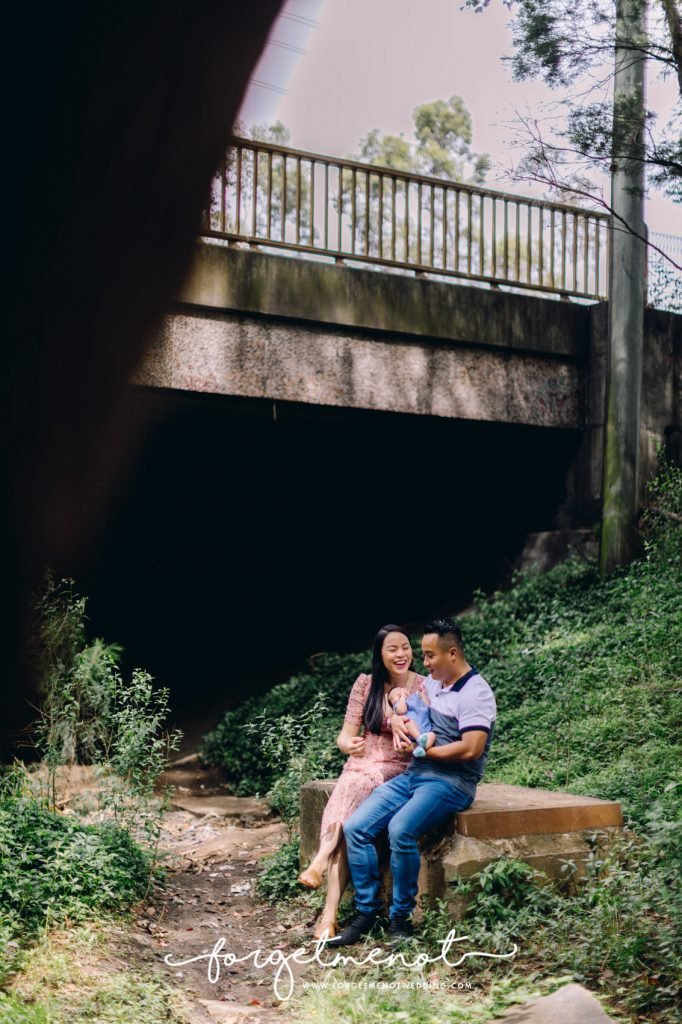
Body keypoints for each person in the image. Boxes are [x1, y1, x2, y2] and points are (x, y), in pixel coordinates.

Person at [327, 617, 496, 948]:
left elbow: (471, 748)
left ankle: (400, 919)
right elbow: (406, 705)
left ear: (452, 653)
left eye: (430, 655)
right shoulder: (433, 684)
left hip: (452, 781)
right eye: (424, 655)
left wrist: (427, 749)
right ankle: (366, 912)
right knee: (356, 828)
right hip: (415, 773)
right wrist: (401, 724)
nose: (425, 663)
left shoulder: (476, 693)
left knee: (400, 830)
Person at [297, 624, 425, 940]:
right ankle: (328, 915)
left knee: (356, 789)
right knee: (352, 797)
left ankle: (322, 873)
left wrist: (411, 744)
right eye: (392, 649)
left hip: (396, 765)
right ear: (380, 655)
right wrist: (348, 745)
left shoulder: (423, 687)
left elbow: (423, 736)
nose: (401, 654)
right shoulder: (366, 685)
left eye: (405, 647)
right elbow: (345, 736)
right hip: (361, 761)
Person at [386, 684, 436, 757]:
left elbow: (427, 706)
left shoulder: (415, 698)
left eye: (400, 690)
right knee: (408, 721)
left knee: (432, 735)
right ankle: (419, 738)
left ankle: (420, 748)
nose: (398, 693)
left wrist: (422, 695)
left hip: (426, 730)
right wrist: (402, 696)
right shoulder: (397, 706)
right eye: (393, 696)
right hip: (410, 731)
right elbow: (402, 710)